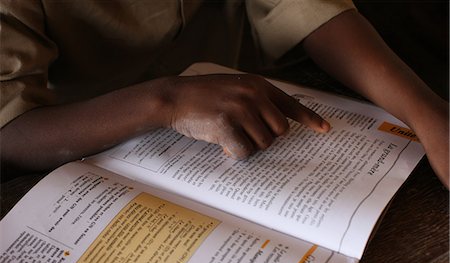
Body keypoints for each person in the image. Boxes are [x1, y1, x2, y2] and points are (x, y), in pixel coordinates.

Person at [1, 0, 448, 188]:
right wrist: (166, 102)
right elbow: (9, 133)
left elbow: (302, 6)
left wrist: (428, 113)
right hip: (82, 144)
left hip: (245, 105)